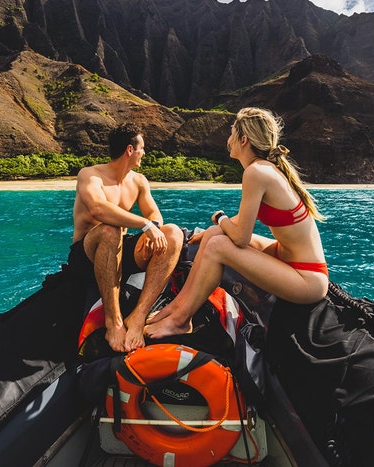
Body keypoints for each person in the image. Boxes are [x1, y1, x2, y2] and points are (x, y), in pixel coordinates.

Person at [145, 107, 328, 338]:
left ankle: (181, 321)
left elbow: (240, 238)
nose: (228, 139)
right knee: (213, 236)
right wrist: (215, 228)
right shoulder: (264, 169)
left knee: (218, 245)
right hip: (286, 256)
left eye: (232, 133)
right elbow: (242, 220)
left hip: (307, 277)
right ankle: (175, 308)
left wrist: (219, 218)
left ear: (243, 139)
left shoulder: (256, 172)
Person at [70, 123, 184, 352]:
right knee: (110, 229)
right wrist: (144, 225)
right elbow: (97, 209)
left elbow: (154, 215)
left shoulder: (139, 181)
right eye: (142, 148)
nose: (145, 153)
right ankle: (114, 323)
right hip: (87, 254)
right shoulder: (90, 175)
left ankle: (137, 317)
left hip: (120, 250)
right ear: (130, 150)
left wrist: (154, 228)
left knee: (172, 233)